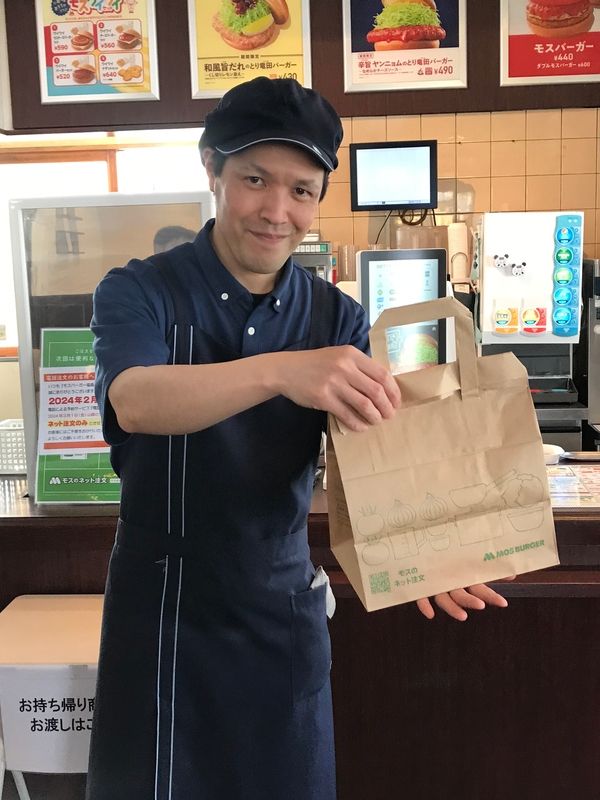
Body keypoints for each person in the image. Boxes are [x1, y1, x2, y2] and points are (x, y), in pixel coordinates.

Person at [86, 77, 510, 800]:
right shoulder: (141, 291)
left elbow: (370, 456)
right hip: (163, 614)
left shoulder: (336, 318)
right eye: (255, 180)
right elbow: (135, 401)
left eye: (302, 191)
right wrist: (282, 371)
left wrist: (428, 544)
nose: (276, 211)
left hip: (280, 610)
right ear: (213, 169)